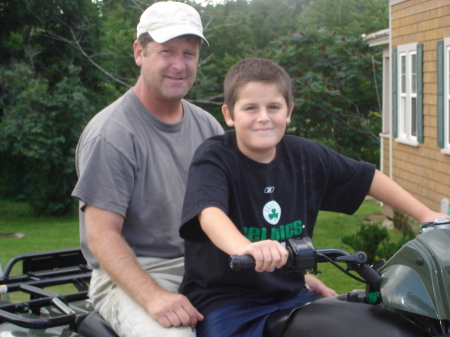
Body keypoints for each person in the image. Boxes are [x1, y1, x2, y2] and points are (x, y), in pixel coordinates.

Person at [178, 58, 448, 337]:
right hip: (226, 302)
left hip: (290, 295)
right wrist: (244, 247)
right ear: (229, 114)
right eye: (250, 108)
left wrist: (428, 215)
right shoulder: (215, 156)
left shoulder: (305, 155)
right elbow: (209, 212)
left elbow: (367, 178)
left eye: (273, 107)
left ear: (289, 111)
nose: (263, 117)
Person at [71, 2, 224, 336]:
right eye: (167, 51)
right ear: (139, 52)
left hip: (204, 269)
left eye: (189, 53)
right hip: (131, 276)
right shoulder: (112, 134)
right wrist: (154, 297)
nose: (179, 65)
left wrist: (284, 276)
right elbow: (102, 236)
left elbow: (234, 213)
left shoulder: (208, 127)